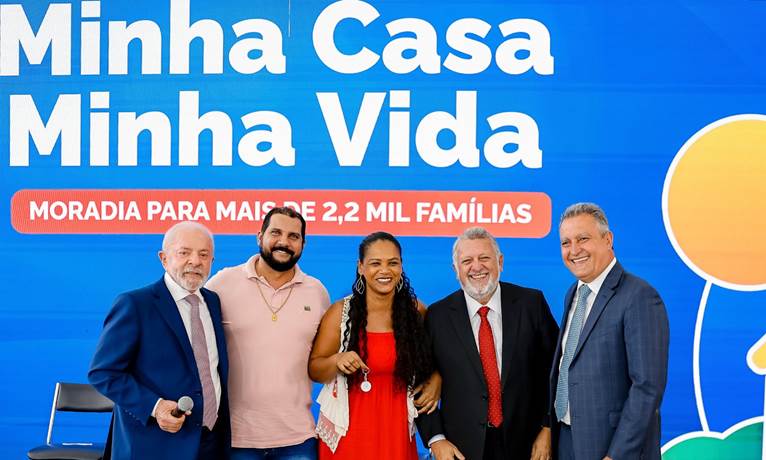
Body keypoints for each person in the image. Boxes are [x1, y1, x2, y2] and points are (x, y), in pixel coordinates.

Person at [89, 221, 230, 460]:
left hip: (211, 443)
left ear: (212, 261)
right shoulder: (135, 305)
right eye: (184, 252)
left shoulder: (213, 302)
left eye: (204, 254)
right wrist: (156, 407)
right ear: (164, 259)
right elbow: (103, 373)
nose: (195, 261)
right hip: (153, 445)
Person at [418, 227, 560, 460]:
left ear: (500, 262)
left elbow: (557, 369)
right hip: (462, 449)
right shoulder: (437, 316)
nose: (477, 267)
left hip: (529, 446)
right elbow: (419, 382)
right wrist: (436, 439)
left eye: (484, 258)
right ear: (456, 270)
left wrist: (548, 428)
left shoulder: (531, 304)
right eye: (467, 261)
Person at [206, 207, 331, 459]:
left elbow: (323, 361)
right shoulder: (222, 283)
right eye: (276, 233)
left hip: (298, 439)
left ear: (303, 244)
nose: (284, 242)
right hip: (235, 439)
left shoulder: (317, 292)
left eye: (293, 236)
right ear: (259, 236)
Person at [550, 203, 669, 460]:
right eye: (566, 243)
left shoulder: (640, 297)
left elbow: (647, 387)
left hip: (611, 448)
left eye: (583, 239)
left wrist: (617, 455)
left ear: (608, 239)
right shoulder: (574, 293)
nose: (574, 250)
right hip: (567, 440)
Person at [309, 232, 438, 459]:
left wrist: (437, 379)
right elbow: (315, 369)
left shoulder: (416, 311)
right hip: (349, 435)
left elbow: (441, 358)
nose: (384, 270)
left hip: (396, 432)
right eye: (375, 263)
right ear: (361, 267)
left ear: (401, 266)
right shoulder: (340, 313)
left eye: (392, 263)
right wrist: (337, 360)